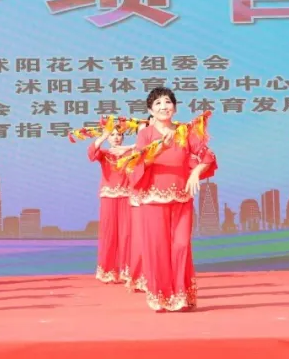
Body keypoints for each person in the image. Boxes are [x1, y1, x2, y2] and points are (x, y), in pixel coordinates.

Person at [128, 89, 216, 312]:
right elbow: (138, 165)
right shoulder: (145, 134)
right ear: (150, 110)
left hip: (181, 196)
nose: (163, 106)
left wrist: (196, 172)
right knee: (157, 247)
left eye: (167, 102)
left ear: (175, 108)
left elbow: (207, 156)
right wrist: (161, 149)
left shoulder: (185, 132)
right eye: (157, 103)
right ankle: (160, 297)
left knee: (181, 245)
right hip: (154, 198)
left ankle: (180, 296)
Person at [89, 127, 132, 284]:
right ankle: (107, 271)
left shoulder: (130, 154)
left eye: (119, 134)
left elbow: (145, 148)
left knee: (127, 235)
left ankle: (127, 272)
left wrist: (129, 148)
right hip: (108, 196)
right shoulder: (105, 154)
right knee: (109, 234)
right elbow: (92, 153)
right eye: (112, 135)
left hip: (127, 196)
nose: (115, 137)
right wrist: (102, 136)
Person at [124, 117, 151, 293]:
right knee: (140, 240)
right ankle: (139, 277)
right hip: (140, 200)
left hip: (158, 198)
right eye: (141, 130)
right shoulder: (131, 155)